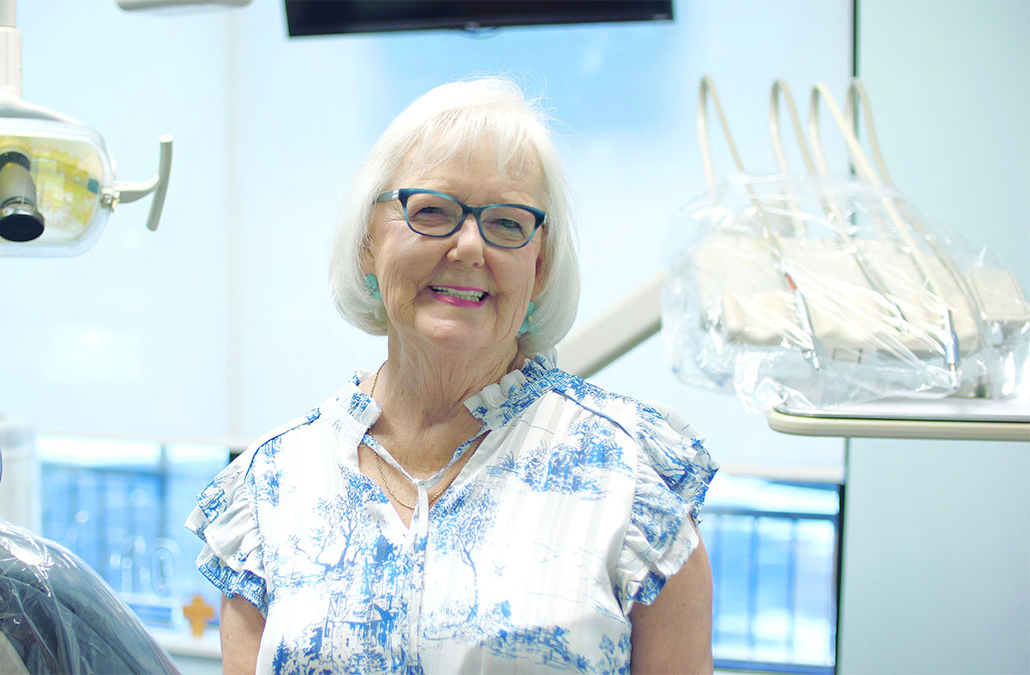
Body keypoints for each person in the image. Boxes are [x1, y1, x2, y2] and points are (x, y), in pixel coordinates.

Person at [186, 76, 718, 674]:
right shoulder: (273, 486)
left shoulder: (632, 480)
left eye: (508, 223)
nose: (469, 248)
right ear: (368, 242)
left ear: (538, 266)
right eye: (432, 211)